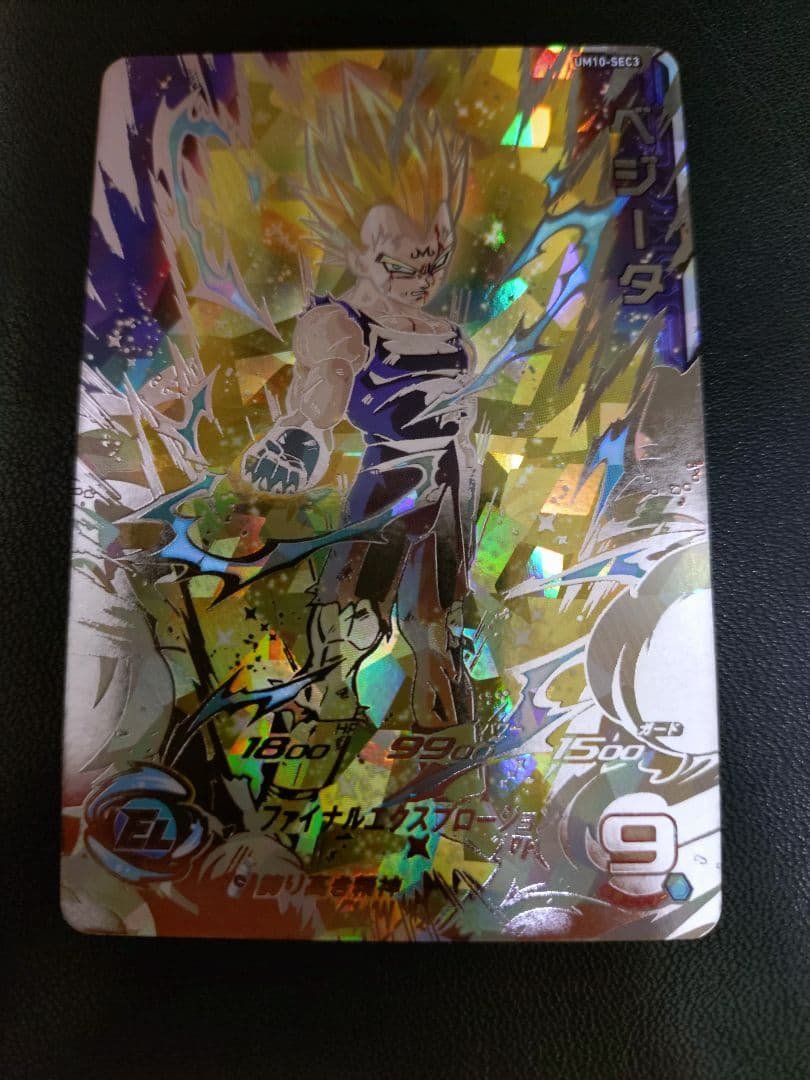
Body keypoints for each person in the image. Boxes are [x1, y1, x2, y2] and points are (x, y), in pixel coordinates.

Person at [242, 74, 479, 735]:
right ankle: (312, 717)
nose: (425, 279)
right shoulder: (342, 323)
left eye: (437, 258)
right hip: (391, 479)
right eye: (403, 265)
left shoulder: (445, 328)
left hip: (454, 478)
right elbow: (324, 383)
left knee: (438, 616)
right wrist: (300, 433)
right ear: (355, 252)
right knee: (354, 613)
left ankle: (442, 718)